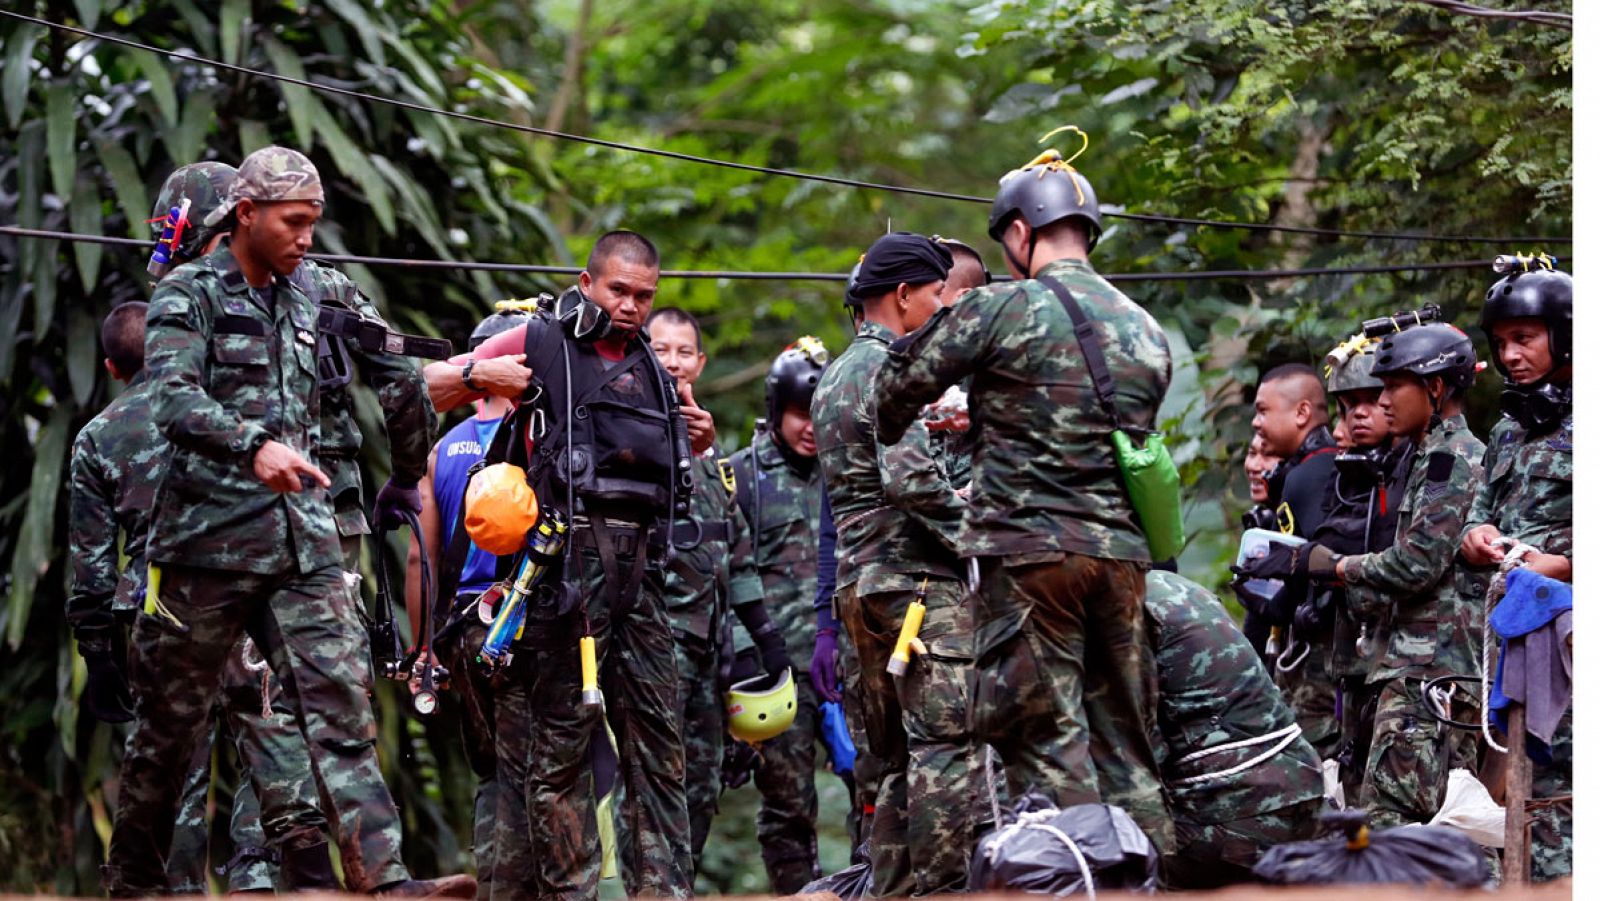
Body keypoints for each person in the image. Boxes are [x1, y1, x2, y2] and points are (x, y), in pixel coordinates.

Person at [104, 146, 472, 898]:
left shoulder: (321, 292)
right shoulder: (189, 294)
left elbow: (400, 374)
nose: (307, 237)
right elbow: (171, 398)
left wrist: (408, 475)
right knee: (166, 733)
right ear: (246, 214)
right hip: (206, 546)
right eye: (294, 222)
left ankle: (387, 878)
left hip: (303, 541)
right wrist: (253, 445)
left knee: (342, 708)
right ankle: (133, 882)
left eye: (315, 222)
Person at [873, 147, 1174, 851]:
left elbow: (894, 394)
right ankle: (1153, 878)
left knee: (1047, 739)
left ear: (1018, 233)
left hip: (1031, 558)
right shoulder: (1144, 328)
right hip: (1122, 559)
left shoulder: (1001, 307)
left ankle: (1078, 881)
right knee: (1127, 746)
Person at [449, 231, 695, 899]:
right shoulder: (540, 341)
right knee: (560, 751)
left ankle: (665, 890)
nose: (631, 306)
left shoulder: (653, 368)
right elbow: (432, 382)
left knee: (661, 744)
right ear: (585, 283)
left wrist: (688, 434)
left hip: (641, 570)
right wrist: (479, 374)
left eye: (644, 295)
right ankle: (572, 894)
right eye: (618, 290)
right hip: (568, 573)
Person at [69, 294, 324, 893]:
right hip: (245, 605)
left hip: (159, 612)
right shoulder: (232, 418)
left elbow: (92, 564)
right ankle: (259, 877)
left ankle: (174, 886)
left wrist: (98, 655)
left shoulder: (98, 438)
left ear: (111, 367)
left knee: (171, 762)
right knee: (267, 733)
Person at [1239, 323, 1486, 829]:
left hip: (1429, 670)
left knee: (1396, 821)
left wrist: (1330, 566)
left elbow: (1416, 562)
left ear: (1435, 389)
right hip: (1396, 666)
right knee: (1398, 819)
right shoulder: (1417, 459)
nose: (1383, 400)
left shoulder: (1450, 460)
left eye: (1393, 387)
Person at [811, 232, 978, 896]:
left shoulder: (834, 375)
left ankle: (894, 889)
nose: (942, 310)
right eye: (937, 295)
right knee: (944, 746)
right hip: (916, 588)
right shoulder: (893, 369)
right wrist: (975, 532)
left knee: (892, 761)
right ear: (904, 295)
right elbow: (909, 478)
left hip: (859, 591)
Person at [643, 306, 787, 871]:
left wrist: (763, 640)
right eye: (660, 350)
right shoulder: (626, 438)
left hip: (708, 657)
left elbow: (736, 551)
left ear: (700, 364)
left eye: (684, 352)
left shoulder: (712, 461)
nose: (674, 362)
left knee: (702, 790)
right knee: (651, 790)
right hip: (652, 651)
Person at [407, 308, 530, 899]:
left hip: (461, 632)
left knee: (492, 773)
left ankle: (492, 887)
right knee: (542, 770)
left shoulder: (442, 449)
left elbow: (420, 560)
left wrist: (423, 647)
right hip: (524, 627)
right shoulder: (537, 439)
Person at [1460, 263, 1571, 880]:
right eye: (1500, 343)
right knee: (1523, 797)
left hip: (1577, 644)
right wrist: (1478, 538)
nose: (1510, 355)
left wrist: (1564, 564)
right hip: (1517, 643)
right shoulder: (1506, 432)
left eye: (1524, 338)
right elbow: (1480, 517)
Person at [1144, 571, 1323, 889]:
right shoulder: (1178, 587)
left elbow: (1137, 758)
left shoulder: (1127, 613)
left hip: (1238, 818)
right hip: (1303, 789)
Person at [728, 339, 829, 893]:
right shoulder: (741, 478)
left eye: (819, 416)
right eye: (798, 416)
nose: (810, 429)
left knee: (877, 790)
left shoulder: (849, 474)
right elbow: (726, 578)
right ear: (776, 411)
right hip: (778, 673)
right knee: (788, 803)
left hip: (847, 664)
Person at [1240, 363, 1338, 656]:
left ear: (1301, 413)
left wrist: (1273, 607)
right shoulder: (1312, 468)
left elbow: (1320, 571)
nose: (1256, 422)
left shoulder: (1311, 474)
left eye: (1263, 410)